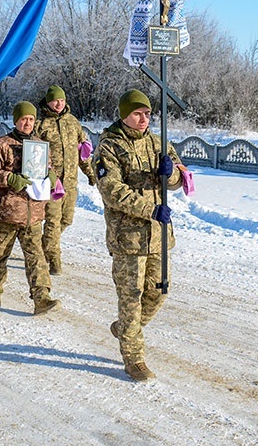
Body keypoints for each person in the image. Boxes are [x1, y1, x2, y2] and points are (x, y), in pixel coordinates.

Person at [94, 89, 183, 382]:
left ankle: (124, 329)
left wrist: (170, 174)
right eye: (137, 113)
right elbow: (113, 191)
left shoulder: (158, 142)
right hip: (128, 238)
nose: (144, 119)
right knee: (131, 297)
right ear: (124, 114)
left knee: (158, 292)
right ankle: (134, 359)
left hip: (159, 235)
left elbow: (180, 180)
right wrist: (149, 210)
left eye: (147, 114)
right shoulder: (109, 146)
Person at [0, 101, 60, 315]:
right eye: (24, 119)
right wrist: (10, 178)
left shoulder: (40, 146)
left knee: (36, 257)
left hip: (32, 213)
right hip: (6, 213)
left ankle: (41, 297)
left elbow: (47, 168)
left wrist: (51, 176)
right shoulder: (0, 145)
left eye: (31, 119)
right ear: (15, 120)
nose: (28, 123)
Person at [36, 85, 96, 275]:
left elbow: (83, 152)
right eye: (55, 100)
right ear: (48, 102)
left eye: (61, 100)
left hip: (71, 181)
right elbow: (33, 154)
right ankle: (54, 260)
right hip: (51, 182)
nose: (59, 103)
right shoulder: (41, 125)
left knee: (66, 220)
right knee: (52, 221)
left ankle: (45, 246)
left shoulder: (73, 122)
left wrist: (91, 173)